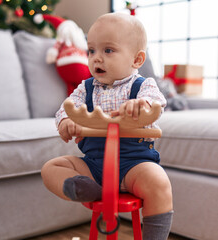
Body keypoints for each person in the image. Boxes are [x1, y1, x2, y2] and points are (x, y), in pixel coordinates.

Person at [41, 12, 173, 240]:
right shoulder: (86, 88)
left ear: (137, 60)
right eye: (91, 51)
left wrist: (142, 106)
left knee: (159, 182)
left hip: (133, 166)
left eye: (108, 50)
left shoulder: (142, 86)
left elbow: (157, 103)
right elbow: (67, 106)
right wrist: (65, 120)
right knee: (51, 168)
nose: (96, 58)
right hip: (94, 167)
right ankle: (88, 190)